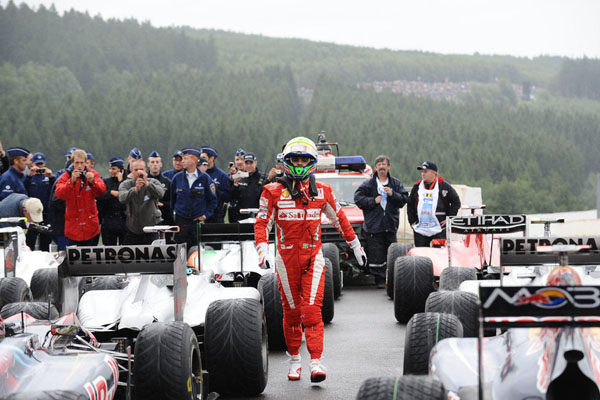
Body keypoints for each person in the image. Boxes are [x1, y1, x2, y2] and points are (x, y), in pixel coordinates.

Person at [254, 136, 366, 382]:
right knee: (292, 313)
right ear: (287, 161)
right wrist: (262, 249)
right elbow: (262, 223)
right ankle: (295, 359)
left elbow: (340, 219)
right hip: (285, 260)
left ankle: (316, 362)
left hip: (313, 257)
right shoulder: (271, 191)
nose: (300, 162)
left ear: (312, 162)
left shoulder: (323, 191)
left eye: (305, 159)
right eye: (295, 158)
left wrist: (355, 244)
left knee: (312, 311)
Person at [354, 155, 409, 288]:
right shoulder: (368, 184)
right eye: (379, 164)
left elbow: (403, 199)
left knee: (392, 253)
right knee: (376, 254)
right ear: (375, 168)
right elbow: (358, 199)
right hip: (374, 226)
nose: (382, 167)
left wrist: (392, 194)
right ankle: (379, 279)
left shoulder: (395, 184)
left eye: (384, 164)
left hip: (390, 225)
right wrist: (373, 201)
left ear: (389, 167)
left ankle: (393, 279)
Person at [55, 149, 106, 246]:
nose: (79, 166)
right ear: (72, 163)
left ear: (86, 163)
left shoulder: (92, 173)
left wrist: (92, 182)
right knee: (75, 259)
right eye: (76, 163)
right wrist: (71, 181)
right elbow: (59, 194)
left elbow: (101, 191)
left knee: (91, 258)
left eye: (81, 163)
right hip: (73, 227)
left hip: (91, 226)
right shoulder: (66, 176)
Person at [170, 147, 217, 250]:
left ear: (194, 160)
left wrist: (205, 216)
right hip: (181, 223)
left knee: (195, 253)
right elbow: (172, 201)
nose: (182, 161)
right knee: (180, 254)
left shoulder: (205, 179)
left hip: (196, 224)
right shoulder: (177, 178)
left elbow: (213, 201)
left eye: (185, 158)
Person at [407, 161, 461, 247]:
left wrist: (449, 218)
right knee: (421, 255)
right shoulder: (417, 186)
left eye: (425, 171)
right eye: (422, 171)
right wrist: (412, 221)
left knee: (439, 254)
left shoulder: (444, 186)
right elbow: (410, 204)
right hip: (421, 228)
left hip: (439, 227)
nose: (422, 174)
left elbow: (456, 202)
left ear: (434, 173)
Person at [119, 158, 165, 245]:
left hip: (151, 228)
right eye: (136, 170)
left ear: (146, 171)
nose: (139, 172)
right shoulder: (126, 184)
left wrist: (147, 184)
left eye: (141, 169)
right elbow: (122, 198)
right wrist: (135, 190)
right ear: (131, 171)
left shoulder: (153, 182)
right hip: (133, 229)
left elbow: (161, 193)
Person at [24, 152, 55, 250]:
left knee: (45, 241)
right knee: (30, 241)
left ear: (44, 164)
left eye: (41, 164)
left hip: (45, 213)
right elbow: (23, 190)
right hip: (32, 214)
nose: (39, 167)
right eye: (37, 164)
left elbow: (55, 189)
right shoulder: (29, 177)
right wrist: (29, 176)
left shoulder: (47, 177)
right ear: (33, 163)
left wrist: (51, 177)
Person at [97, 157, 127, 245]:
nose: (111, 171)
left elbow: (124, 196)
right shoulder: (106, 182)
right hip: (108, 219)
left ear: (121, 170)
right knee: (109, 249)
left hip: (123, 219)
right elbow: (100, 196)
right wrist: (111, 193)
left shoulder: (126, 182)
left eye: (114, 169)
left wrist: (120, 182)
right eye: (110, 168)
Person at [229, 153, 265, 223]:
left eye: (251, 163)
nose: (249, 165)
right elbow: (232, 197)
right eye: (246, 163)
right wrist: (235, 184)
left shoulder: (262, 178)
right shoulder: (240, 176)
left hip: (258, 217)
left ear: (255, 163)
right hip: (241, 217)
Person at [201, 146, 231, 223]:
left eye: (204, 157)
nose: (201, 159)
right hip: (199, 214)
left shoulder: (221, 175)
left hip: (216, 216)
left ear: (212, 158)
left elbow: (227, 197)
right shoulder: (198, 174)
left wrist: (215, 190)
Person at [147, 150, 172, 225]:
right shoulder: (143, 181)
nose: (155, 165)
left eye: (157, 162)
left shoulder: (167, 182)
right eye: (152, 162)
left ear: (161, 164)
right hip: (147, 218)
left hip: (164, 218)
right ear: (148, 164)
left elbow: (172, 202)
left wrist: (163, 204)